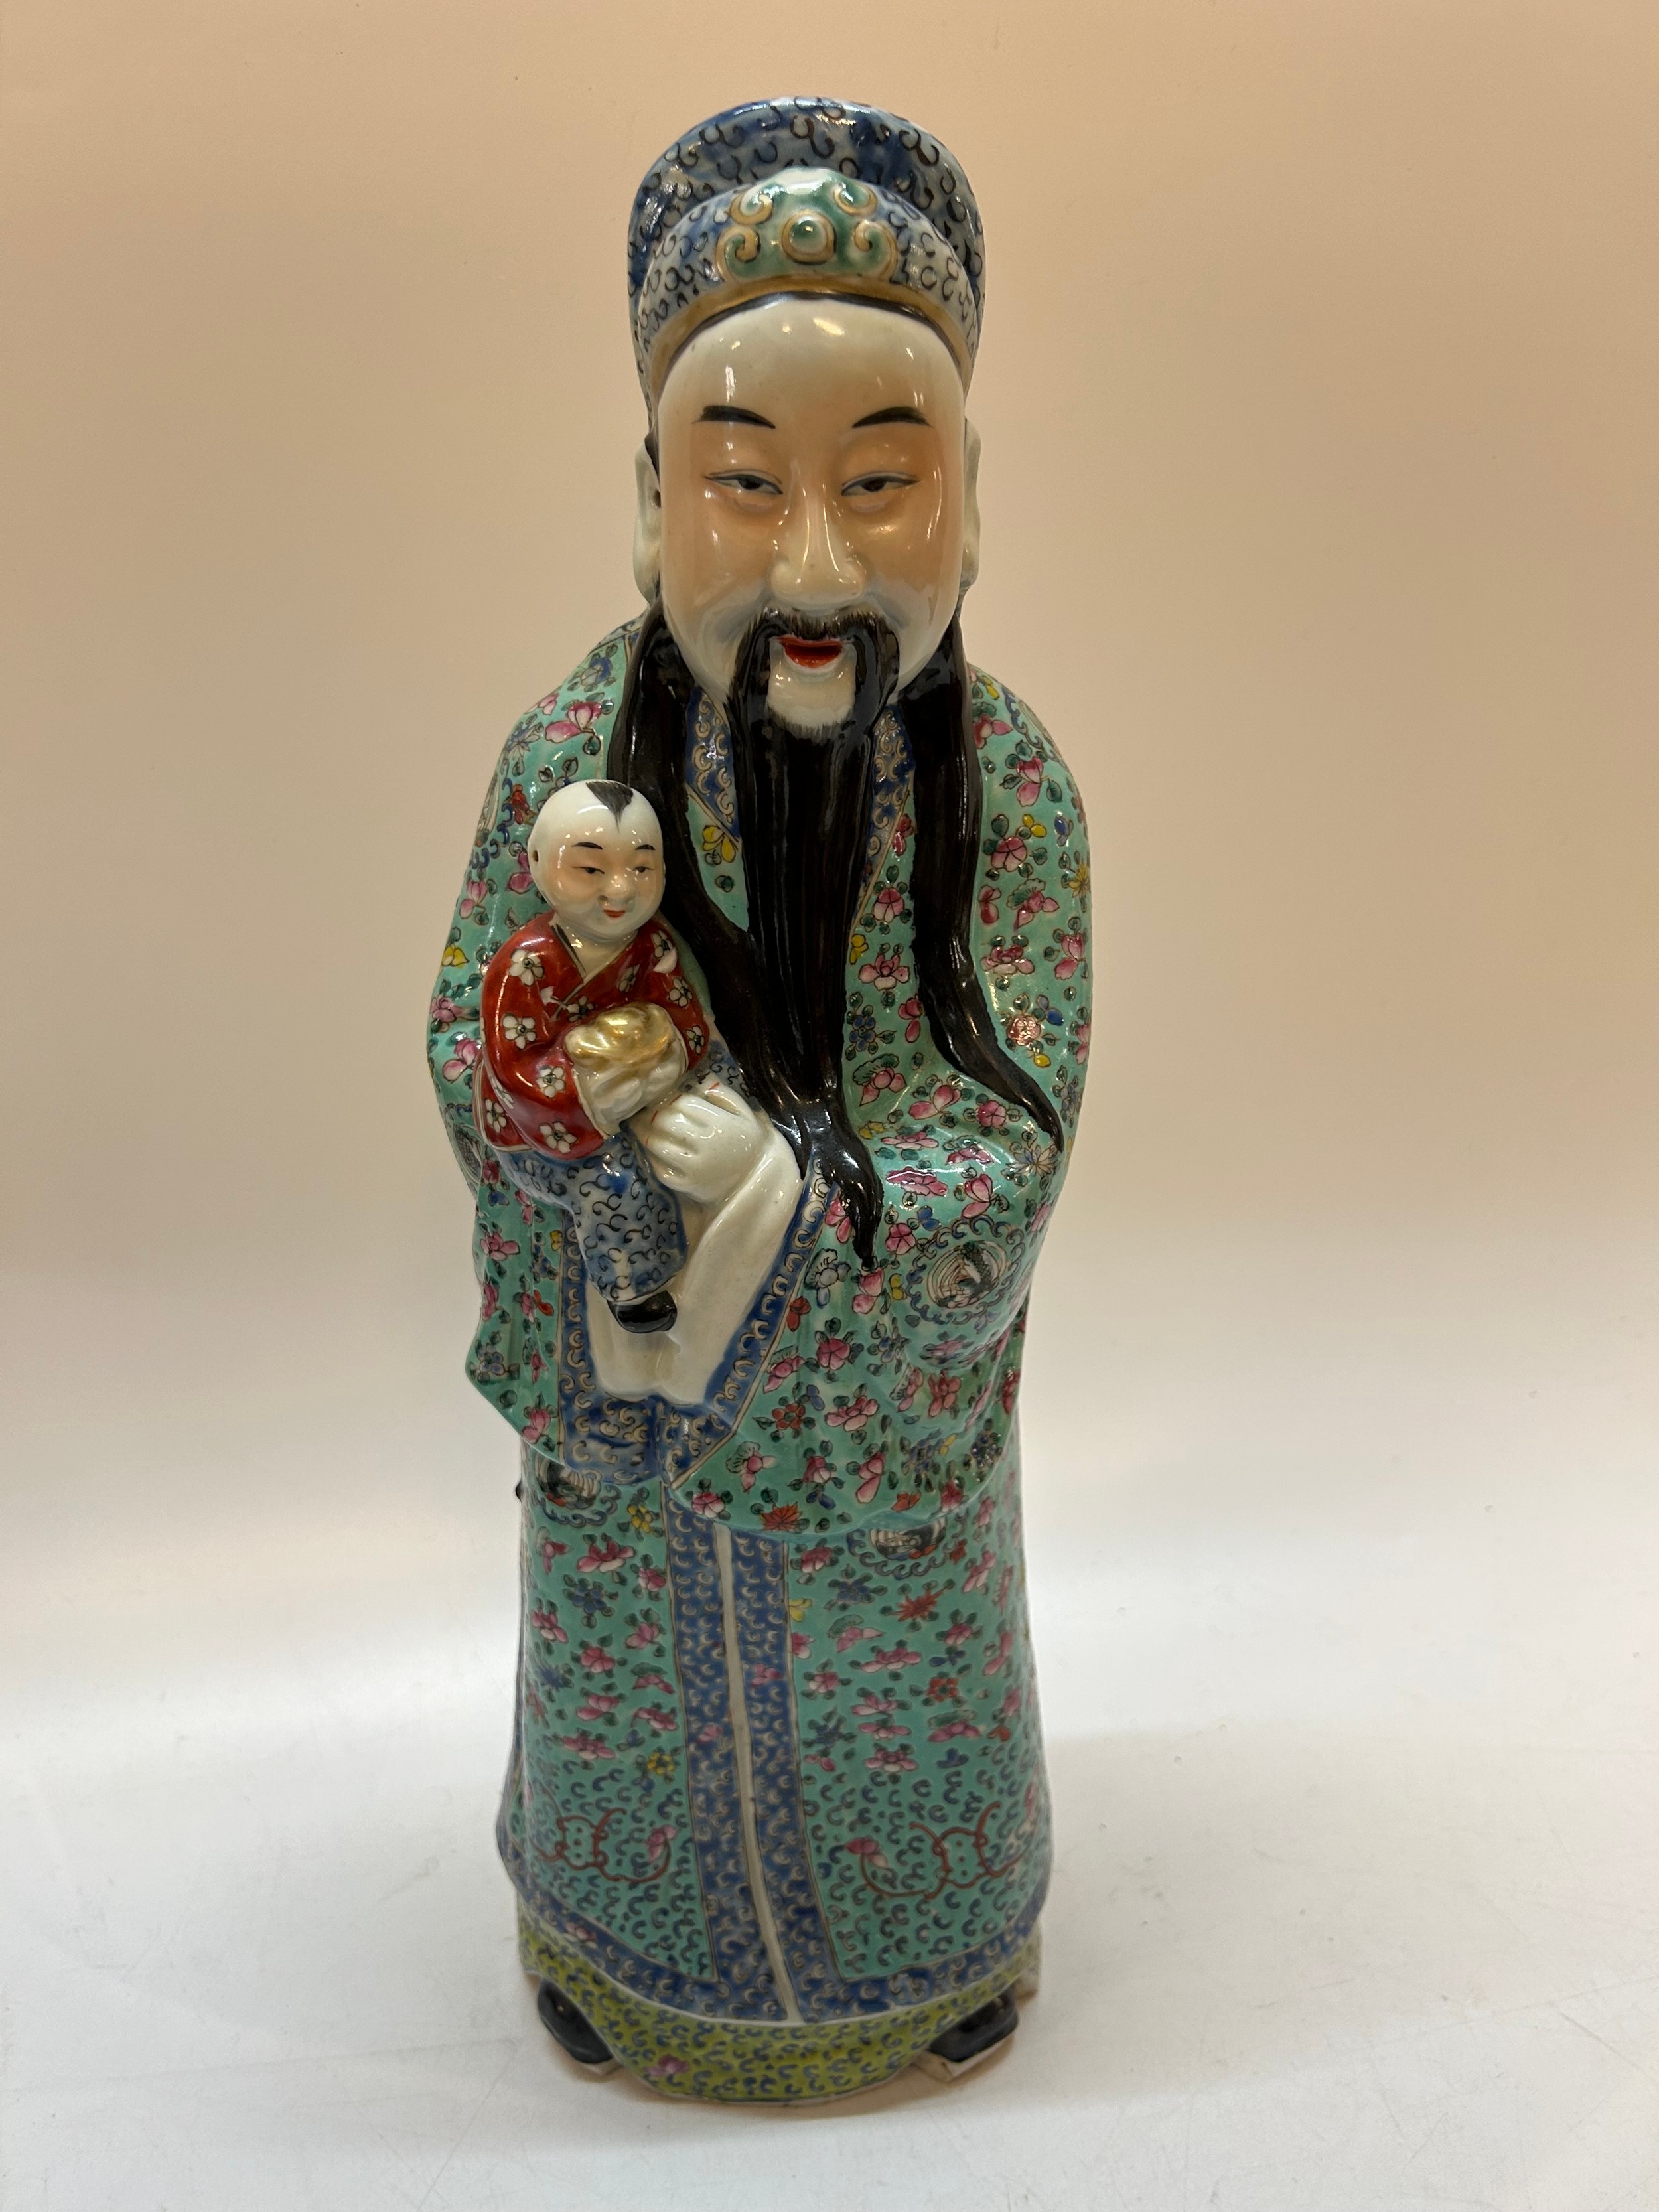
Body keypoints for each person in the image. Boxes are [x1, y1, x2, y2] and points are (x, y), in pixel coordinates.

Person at [429, 98, 1092, 2102]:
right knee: (626, 1662)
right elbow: (471, 1032)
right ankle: (610, 1942)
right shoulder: (569, 754)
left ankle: (933, 1954)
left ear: (970, 497)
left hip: (877, 1439)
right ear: (651, 504)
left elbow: (1015, 1121)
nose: (814, 563)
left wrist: (804, 1191)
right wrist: (585, 1136)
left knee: (904, 1666)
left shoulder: (1009, 790)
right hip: (639, 1416)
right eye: (743, 483)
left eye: (880, 484)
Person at [476, 780, 711, 1333]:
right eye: (591, 868)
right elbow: (515, 1070)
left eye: (642, 868)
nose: (621, 889)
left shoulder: (651, 945)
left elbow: (687, 1021)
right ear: (538, 863)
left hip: (642, 1083)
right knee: (613, 1181)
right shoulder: (524, 965)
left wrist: (659, 1051)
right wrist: (594, 1087)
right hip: (544, 1124)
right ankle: (634, 1291)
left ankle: (714, 1259)